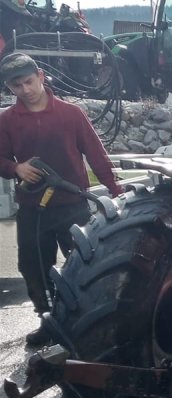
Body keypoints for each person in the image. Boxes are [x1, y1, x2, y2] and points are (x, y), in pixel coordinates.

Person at [0, 52, 123, 346]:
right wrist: (15, 168)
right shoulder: (7, 121)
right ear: (10, 87)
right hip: (32, 210)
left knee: (84, 266)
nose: (25, 90)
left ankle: (87, 323)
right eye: (17, 86)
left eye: (29, 82)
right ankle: (47, 321)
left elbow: (96, 155)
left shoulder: (71, 114)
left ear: (41, 77)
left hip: (73, 206)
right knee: (33, 267)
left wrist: (116, 191)